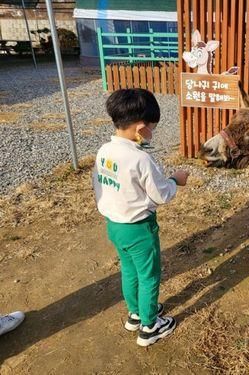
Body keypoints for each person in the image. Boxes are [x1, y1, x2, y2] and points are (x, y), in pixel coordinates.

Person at [93, 88, 189, 347]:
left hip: (114, 226)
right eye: (152, 128)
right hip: (139, 228)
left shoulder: (104, 151)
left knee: (129, 271)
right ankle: (149, 327)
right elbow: (160, 195)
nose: (152, 134)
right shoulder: (140, 158)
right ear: (140, 128)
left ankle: (135, 313)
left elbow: (99, 186)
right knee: (149, 276)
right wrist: (175, 180)